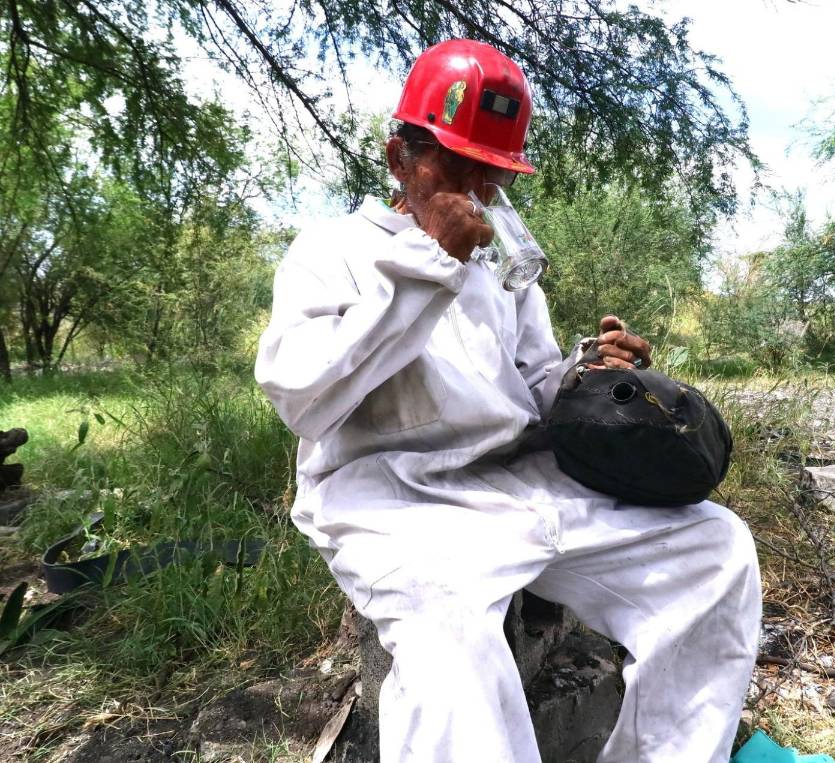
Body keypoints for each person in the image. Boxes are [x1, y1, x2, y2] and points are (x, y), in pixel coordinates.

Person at [255, 39, 761, 762]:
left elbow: (530, 387)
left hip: (517, 484)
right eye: (455, 165)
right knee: (450, 639)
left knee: (714, 551)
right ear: (400, 156)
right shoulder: (333, 252)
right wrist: (428, 265)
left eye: (489, 173)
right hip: (391, 501)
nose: (475, 190)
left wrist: (589, 371)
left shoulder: (498, 266)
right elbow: (302, 396)